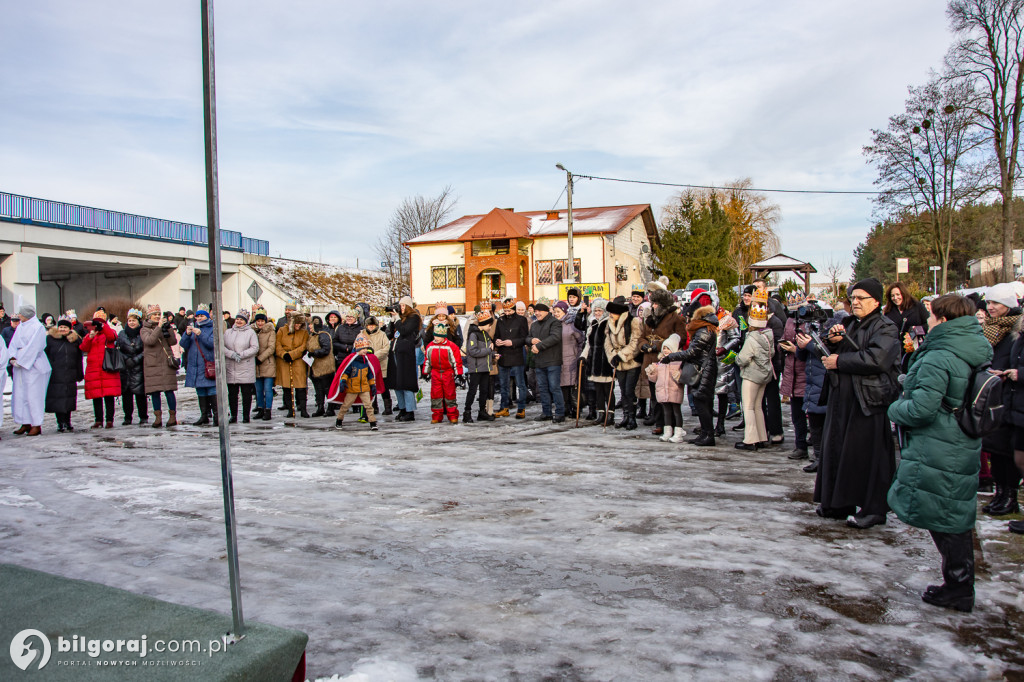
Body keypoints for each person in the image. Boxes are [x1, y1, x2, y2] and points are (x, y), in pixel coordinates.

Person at [888, 294, 992, 613]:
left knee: (945, 516)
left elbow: (922, 409)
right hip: (959, 439)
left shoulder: (941, 354)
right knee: (952, 511)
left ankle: (959, 587)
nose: (926, 320)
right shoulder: (971, 345)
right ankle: (958, 583)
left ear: (943, 320)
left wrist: (894, 407)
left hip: (939, 443)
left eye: (931, 316)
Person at [815, 278, 901, 529]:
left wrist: (838, 361)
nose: (855, 302)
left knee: (867, 456)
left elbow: (877, 359)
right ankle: (839, 502)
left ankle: (874, 508)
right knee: (839, 451)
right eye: (853, 298)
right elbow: (838, 347)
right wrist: (831, 341)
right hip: (843, 397)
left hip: (868, 400)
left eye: (861, 298)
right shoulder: (850, 323)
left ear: (876, 301)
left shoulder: (886, 327)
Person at [663, 304, 719, 446]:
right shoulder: (706, 329)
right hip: (704, 368)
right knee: (702, 401)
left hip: (703, 369)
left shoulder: (703, 331)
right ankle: (705, 433)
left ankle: (708, 435)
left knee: (701, 401)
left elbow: (693, 352)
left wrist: (671, 357)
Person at [641, 288, 688, 435]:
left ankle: (673, 424)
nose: (653, 306)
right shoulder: (650, 319)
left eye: (655, 303)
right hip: (650, 360)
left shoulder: (676, 318)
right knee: (656, 394)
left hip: (667, 361)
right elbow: (643, 336)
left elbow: (681, 338)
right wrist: (642, 344)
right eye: (652, 303)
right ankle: (659, 422)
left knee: (670, 396)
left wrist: (660, 346)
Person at [734, 289, 774, 451]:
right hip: (765, 373)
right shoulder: (768, 334)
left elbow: (743, 358)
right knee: (758, 406)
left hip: (751, 375)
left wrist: (735, 358)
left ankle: (750, 439)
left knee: (749, 407)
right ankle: (761, 436)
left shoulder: (752, 338)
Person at [8, 305, 51, 436]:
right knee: (21, 394)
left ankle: (36, 424)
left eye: (20, 314)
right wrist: (12, 357)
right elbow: (14, 343)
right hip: (21, 366)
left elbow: (35, 347)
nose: (18, 316)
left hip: (34, 365)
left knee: (34, 395)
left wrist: (21, 360)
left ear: (26, 315)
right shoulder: (21, 326)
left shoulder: (37, 327)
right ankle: (25, 421)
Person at [604, 296, 645, 430]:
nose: (610, 315)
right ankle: (625, 416)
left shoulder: (632, 321)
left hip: (631, 360)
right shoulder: (609, 323)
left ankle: (632, 418)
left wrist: (622, 355)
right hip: (618, 361)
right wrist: (612, 356)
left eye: (613, 313)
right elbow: (607, 341)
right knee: (622, 390)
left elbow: (635, 341)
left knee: (629, 390)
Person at [328, 334, 380, 431]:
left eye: (366, 348)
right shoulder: (352, 361)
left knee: (368, 405)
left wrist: (372, 385)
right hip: (352, 388)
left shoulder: (366, 361)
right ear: (358, 349)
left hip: (364, 387)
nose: (365, 350)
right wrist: (343, 381)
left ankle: (372, 422)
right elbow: (346, 372)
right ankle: (339, 420)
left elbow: (370, 374)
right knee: (346, 405)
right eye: (363, 349)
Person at [140, 304, 179, 428]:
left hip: (166, 362)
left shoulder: (164, 327)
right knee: (155, 391)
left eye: (158, 314)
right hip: (153, 364)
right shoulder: (144, 329)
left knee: (169, 390)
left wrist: (168, 329)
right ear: (149, 316)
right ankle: (158, 418)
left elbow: (173, 342)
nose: (157, 316)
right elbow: (149, 341)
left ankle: (172, 416)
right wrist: (159, 327)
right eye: (154, 315)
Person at [79, 312, 120, 429]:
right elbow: (83, 348)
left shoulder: (109, 333)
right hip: (94, 370)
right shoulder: (91, 335)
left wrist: (103, 326)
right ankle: (98, 420)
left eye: (100, 322)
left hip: (107, 368)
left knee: (109, 396)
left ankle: (109, 420)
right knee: (96, 397)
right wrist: (90, 337)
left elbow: (112, 337)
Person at [180, 308, 219, 426]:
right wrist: (187, 334)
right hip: (195, 365)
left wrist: (200, 334)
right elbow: (183, 344)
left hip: (207, 364)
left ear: (207, 317)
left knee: (212, 390)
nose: (199, 318)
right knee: (200, 391)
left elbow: (212, 344)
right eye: (197, 316)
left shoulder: (213, 328)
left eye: (202, 316)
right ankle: (204, 415)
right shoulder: (192, 328)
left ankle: (217, 415)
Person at [45, 316, 83, 432]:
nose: (62, 329)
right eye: (60, 327)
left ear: (69, 329)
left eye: (65, 327)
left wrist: (79, 373)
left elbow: (78, 358)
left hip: (70, 373)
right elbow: (46, 355)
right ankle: (60, 422)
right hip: (56, 373)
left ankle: (68, 421)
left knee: (69, 399)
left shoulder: (74, 340)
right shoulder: (51, 339)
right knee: (58, 399)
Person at [780, 309, 809, 459]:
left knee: (813, 415)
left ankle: (814, 448)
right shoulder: (790, 321)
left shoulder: (810, 322)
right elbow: (784, 337)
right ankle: (800, 445)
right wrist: (783, 346)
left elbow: (814, 348)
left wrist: (796, 349)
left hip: (807, 373)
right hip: (792, 372)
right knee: (797, 415)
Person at [529, 302, 565, 422]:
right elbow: (527, 337)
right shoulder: (534, 325)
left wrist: (539, 346)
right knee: (543, 388)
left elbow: (555, 337)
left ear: (546, 312)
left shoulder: (554, 322)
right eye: (535, 311)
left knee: (554, 387)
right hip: (539, 362)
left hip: (553, 361)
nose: (537, 313)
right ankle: (546, 412)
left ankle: (560, 413)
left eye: (539, 311)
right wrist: (531, 340)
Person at [387, 296, 422, 422]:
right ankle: (402, 408)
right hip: (395, 352)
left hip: (406, 353)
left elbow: (404, 331)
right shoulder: (400, 319)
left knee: (406, 383)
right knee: (397, 383)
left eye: (403, 306)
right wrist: (392, 321)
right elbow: (390, 334)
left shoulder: (414, 317)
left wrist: (397, 320)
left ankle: (409, 410)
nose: (400, 308)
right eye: (399, 306)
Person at [493, 299, 529, 419]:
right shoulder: (501, 320)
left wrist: (512, 342)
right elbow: (496, 336)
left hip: (516, 355)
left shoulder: (521, 320)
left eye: (509, 310)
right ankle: (504, 407)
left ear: (513, 309)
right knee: (504, 384)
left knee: (520, 384)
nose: (507, 313)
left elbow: (525, 338)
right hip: (504, 355)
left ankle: (521, 408)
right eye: (505, 310)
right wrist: (497, 342)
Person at [647, 334, 685, 442]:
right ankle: (667, 431)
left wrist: (678, 375)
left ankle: (678, 432)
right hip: (663, 391)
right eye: (664, 348)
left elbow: (681, 377)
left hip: (674, 390)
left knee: (676, 411)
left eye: (668, 348)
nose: (665, 350)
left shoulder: (678, 361)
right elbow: (654, 379)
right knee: (666, 411)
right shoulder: (661, 362)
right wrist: (652, 372)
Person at [223, 309, 259, 423]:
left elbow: (254, 348)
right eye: (237, 319)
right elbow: (222, 347)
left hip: (245, 367)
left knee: (246, 394)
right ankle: (233, 415)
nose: (239, 321)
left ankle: (246, 416)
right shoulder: (228, 332)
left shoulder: (250, 333)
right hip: (231, 366)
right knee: (232, 394)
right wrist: (231, 354)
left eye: (241, 320)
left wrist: (241, 355)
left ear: (245, 321)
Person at [582, 299, 614, 424]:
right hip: (594, 361)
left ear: (605, 311)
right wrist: (583, 356)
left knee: (608, 390)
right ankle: (601, 413)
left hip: (606, 361)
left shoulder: (608, 324)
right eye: (595, 310)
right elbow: (588, 344)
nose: (597, 313)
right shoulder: (593, 324)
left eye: (600, 310)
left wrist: (613, 357)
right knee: (598, 390)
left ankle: (610, 414)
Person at [424, 322, 463, 424]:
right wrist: (426, 372)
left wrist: (458, 373)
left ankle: (453, 415)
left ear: (443, 337)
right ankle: (437, 415)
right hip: (435, 372)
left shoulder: (451, 346)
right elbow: (427, 360)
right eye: (435, 335)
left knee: (450, 394)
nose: (436, 338)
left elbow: (456, 360)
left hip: (448, 373)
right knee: (436, 395)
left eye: (438, 336)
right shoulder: (430, 346)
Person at [463, 308, 497, 423]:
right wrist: (488, 351)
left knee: (484, 390)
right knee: (472, 391)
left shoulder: (485, 334)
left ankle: (482, 411)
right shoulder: (473, 334)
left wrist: (493, 354)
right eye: (489, 325)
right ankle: (467, 412)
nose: (490, 327)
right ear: (483, 324)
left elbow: (487, 350)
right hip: (476, 368)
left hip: (485, 367)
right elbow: (473, 351)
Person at [553, 301, 585, 418]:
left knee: (572, 384)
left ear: (564, 311)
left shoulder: (571, 323)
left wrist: (579, 354)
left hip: (571, 357)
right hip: (558, 358)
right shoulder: (554, 324)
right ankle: (565, 407)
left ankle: (575, 408)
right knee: (561, 384)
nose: (556, 314)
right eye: (555, 311)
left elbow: (581, 340)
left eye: (558, 311)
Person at [116, 308, 148, 425]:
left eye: (134, 320)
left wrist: (135, 360)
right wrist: (126, 359)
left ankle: (143, 416)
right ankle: (127, 417)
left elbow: (146, 350)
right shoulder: (122, 334)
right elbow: (117, 349)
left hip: (139, 367)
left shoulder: (142, 333)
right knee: (127, 395)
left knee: (140, 394)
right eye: (129, 321)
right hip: (126, 368)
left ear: (138, 322)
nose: (131, 323)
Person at [275, 314, 310, 419]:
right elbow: (277, 345)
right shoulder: (281, 330)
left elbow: (304, 346)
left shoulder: (304, 333)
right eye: (296, 323)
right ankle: (290, 409)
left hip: (298, 361)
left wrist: (292, 354)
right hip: (284, 361)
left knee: (301, 386)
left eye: (300, 324)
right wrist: (284, 354)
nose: (298, 326)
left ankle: (303, 409)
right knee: (287, 387)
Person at [713, 312, 741, 438]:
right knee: (706, 394)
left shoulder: (727, 320)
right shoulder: (703, 318)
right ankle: (707, 424)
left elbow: (736, 338)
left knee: (722, 393)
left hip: (723, 361)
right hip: (708, 360)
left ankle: (720, 424)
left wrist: (724, 348)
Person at [306, 315, 336, 418]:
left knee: (327, 389)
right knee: (318, 390)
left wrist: (314, 353)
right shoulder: (313, 335)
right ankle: (320, 408)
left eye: (311, 324)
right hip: (315, 368)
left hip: (325, 367)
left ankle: (330, 408)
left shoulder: (323, 335)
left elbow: (326, 349)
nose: (309, 326)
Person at [252, 311, 276, 421]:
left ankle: (268, 410)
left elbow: (271, 347)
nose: (260, 323)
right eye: (258, 321)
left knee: (268, 389)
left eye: (262, 321)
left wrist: (260, 358)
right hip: (256, 365)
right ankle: (260, 408)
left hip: (267, 363)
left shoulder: (270, 331)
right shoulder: (252, 331)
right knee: (258, 389)